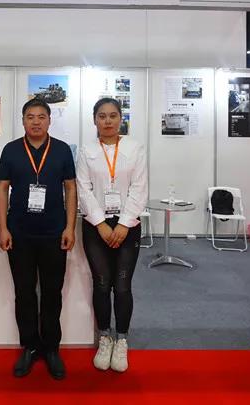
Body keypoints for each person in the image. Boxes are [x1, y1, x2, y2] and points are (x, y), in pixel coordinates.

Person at [0, 99, 77, 380]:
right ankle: (30, 346)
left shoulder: (62, 150)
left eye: (41, 116)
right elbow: (2, 189)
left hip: (54, 234)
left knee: (53, 293)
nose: (36, 122)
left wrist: (70, 227)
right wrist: (3, 228)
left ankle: (51, 348)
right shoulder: (11, 150)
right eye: (30, 116)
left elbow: (70, 188)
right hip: (19, 235)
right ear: (23, 121)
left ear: (49, 120)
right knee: (25, 293)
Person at [76, 98, 148, 372]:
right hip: (96, 227)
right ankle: (105, 337)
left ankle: (122, 339)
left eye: (113, 116)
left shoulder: (134, 148)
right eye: (102, 116)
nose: (107, 121)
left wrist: (124, 224)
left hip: (127, 226)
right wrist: (101, 224)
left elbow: (139, 188)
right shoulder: (87, 151)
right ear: (94, 120)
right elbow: (83, 189)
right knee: (102, 283)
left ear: (121, 119)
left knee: (123, 285)